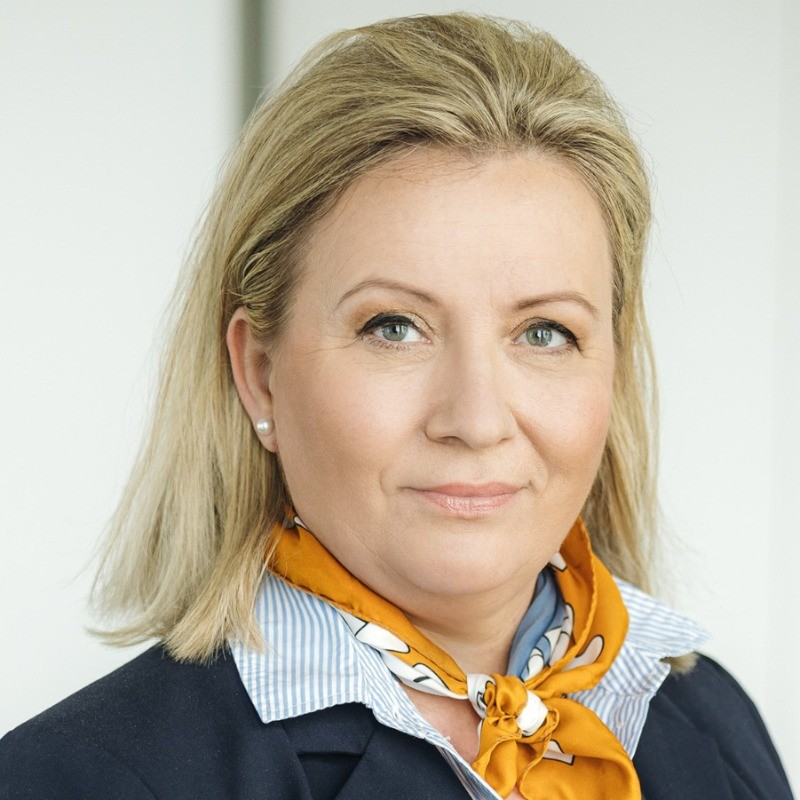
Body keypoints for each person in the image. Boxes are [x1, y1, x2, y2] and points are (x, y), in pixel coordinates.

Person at [0, 13, 793, 800]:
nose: (476, 420)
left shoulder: (712, 723)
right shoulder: (78, 781)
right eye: (394, 328)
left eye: (544, 332)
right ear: (260, 373)